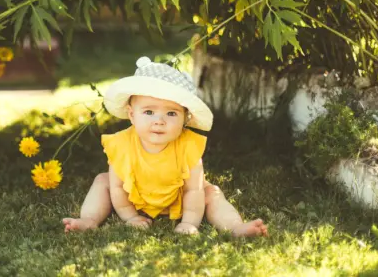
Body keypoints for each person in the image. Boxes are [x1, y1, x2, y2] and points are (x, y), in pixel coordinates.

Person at [62, 56, 268, 236]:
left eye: (171, 113)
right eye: (149, 112)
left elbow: (193, 191)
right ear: (132, 115)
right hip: (135, 197)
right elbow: (117, 187)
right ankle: (89, 219)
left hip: (180, 198)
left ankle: (235, 226)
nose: (159, 120)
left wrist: (189, 222)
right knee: (102, 181)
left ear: (185, 119)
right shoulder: (121, 144)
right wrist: (130, 217)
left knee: (211, 192)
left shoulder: (189, 146)